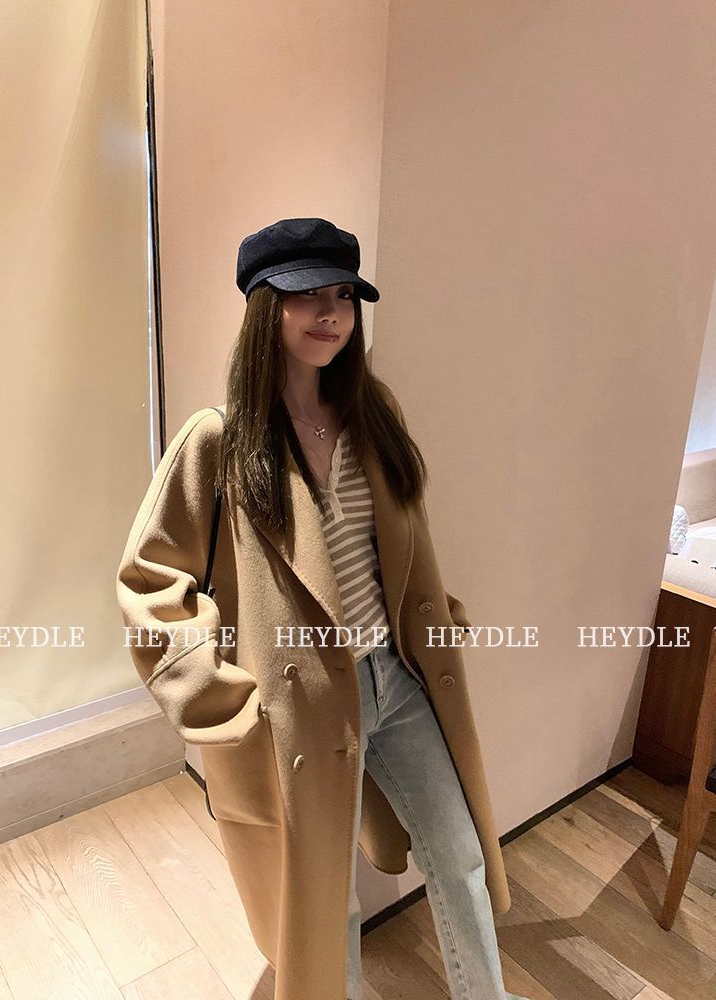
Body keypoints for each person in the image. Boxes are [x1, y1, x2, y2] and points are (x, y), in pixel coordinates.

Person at [116, 217, 528, 999]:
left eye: (342, 295)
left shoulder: (374, 415)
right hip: (301, 708)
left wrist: (438, 619)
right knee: (323, 901)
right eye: (306, 295)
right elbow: (149, 580)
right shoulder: (219, 438)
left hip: (399, 681)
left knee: (459, 849)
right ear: (264, 307)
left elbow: (401, 550)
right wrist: (215, 695)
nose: (330, 313)